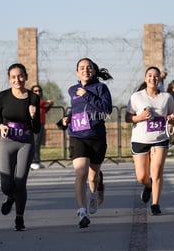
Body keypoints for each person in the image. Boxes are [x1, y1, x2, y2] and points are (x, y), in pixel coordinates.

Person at [60, 57, 113, 228]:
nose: (85, 70)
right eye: (82, 67)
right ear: (77, 71)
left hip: (96, 136)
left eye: (89, 67)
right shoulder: (72, 90)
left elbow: (107, 109)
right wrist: (67, 118)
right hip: (77, 135)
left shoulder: (101, 88)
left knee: (93, 175)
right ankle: (81, 211)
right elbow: (76, 110)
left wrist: (89, 95)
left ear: (94, 70)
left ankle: (94, 192)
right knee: (80, 172)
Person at [0, 63, 41, 231]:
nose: (17, 80)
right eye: (13, 77)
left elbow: (37, 129)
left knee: (20, 182)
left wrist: (33, 116)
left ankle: (19, 218)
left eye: (20, 76)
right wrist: (1, 127)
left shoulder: (33, 98)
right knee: (6, 184)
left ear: (26, 77)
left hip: (25, 142)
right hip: (7, 141)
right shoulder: (3, 96)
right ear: (9, 79)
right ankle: (11, 197)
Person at [125, 66, 174, 215]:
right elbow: (128, 117)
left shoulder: (167, 97)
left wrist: (173, 120)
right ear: (145, 78)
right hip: (140, 139)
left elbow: (172, 117)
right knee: (142, 176)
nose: (152, 78)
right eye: (149, 75)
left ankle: (155, 204)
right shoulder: (136, 97)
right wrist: (139, 117)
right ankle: (147, 186)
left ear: (160, 79)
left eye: (156, 76)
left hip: (160, 138)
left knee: (157, 171)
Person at [30, 84, 54, 170]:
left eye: (39, 91)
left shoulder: (40, 101)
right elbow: (42, 104)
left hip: (41, 123)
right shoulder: (33, 100)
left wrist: (49, 105)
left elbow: (45, 110)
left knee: (38, 143)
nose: (38, 92)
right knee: (35, 143)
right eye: (35, 91)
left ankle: (37, 160)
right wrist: (48, 103)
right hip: (34, 124)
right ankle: (33, 161)